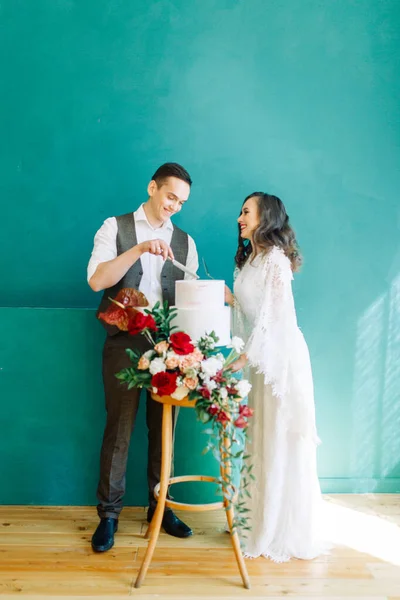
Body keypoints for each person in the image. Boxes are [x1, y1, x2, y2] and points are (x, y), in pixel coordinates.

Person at [87, 163, 198, 552]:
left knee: (164, 430)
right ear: (152, 188)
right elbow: (97, 281)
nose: (175, 206)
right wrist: (137, 248)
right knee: (119, 429)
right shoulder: (114, 228)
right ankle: (109, 516)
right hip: (123, 341)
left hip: (169, 347)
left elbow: (189, 299)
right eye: (171, 197)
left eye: (182, 202)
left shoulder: (185, 241)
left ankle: (160, 508)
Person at [225, 192, 324, 562]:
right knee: (260, 437)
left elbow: (274, 316)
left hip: (280, 361)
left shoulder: (276, 260)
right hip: (261, 358)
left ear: (265, 216)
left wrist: (243, 358)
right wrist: (229, 299)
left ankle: (277, 529)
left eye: (246, 211)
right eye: (240, 212)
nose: (239, 217)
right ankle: (256, 520)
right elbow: (252, 314)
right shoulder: (251, 260)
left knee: (279, 438)